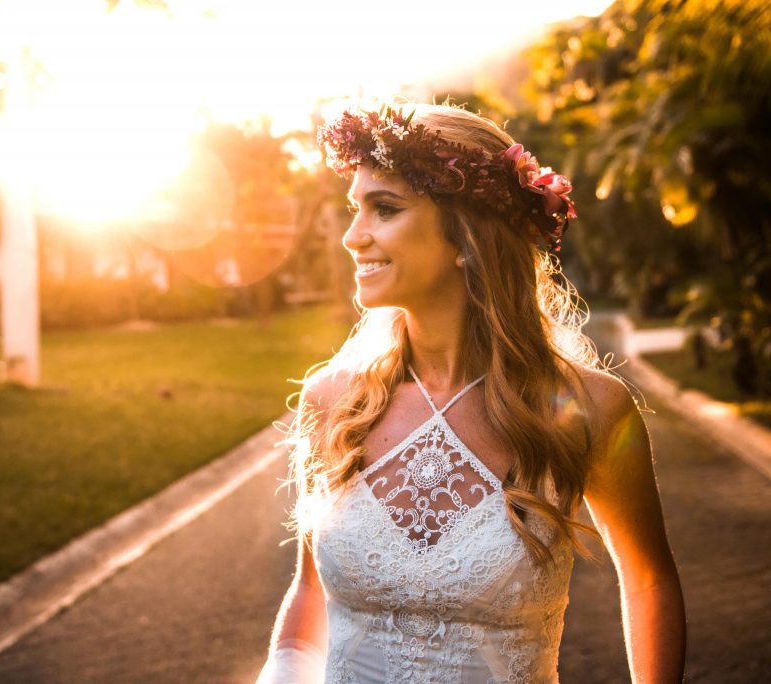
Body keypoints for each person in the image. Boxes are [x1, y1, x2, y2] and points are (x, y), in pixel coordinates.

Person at [256, 103, 686, 683]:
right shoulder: (331, 401)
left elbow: (648, 579)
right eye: (355, 209)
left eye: (385, 209)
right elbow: (309, 591)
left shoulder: (592, 409)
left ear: (465, 236)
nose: (354, 237)